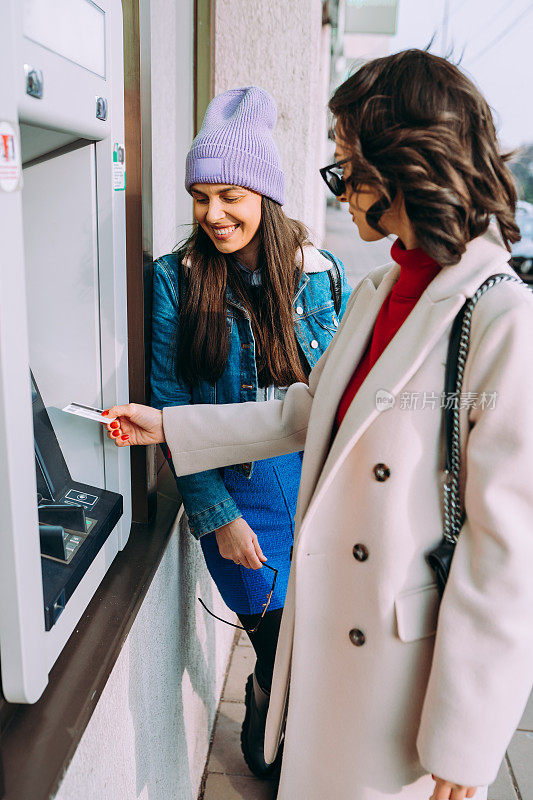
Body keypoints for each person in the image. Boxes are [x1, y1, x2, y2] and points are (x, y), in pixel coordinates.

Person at [103, 51, 533, 800]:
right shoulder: (381, 286)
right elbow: (317, 412)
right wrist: (171, 427)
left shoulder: (497, 317)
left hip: (399, 665)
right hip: (327, 621)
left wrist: (466, 745)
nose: (340, 186)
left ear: (400, 168)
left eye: (346, 168)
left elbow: (508, 555)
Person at [148, 86, 351, 778]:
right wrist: (218, 517)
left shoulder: (322, 273)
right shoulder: (175, 281)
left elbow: (345, 397)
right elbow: (174, 406)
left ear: (264, 195)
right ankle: (271, 731)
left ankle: (290, 741)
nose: (212, 214)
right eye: (200, 196)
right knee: (276, 649)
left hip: (318, 490)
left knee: (320, 652)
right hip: (243, 499)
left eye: (229, 195)